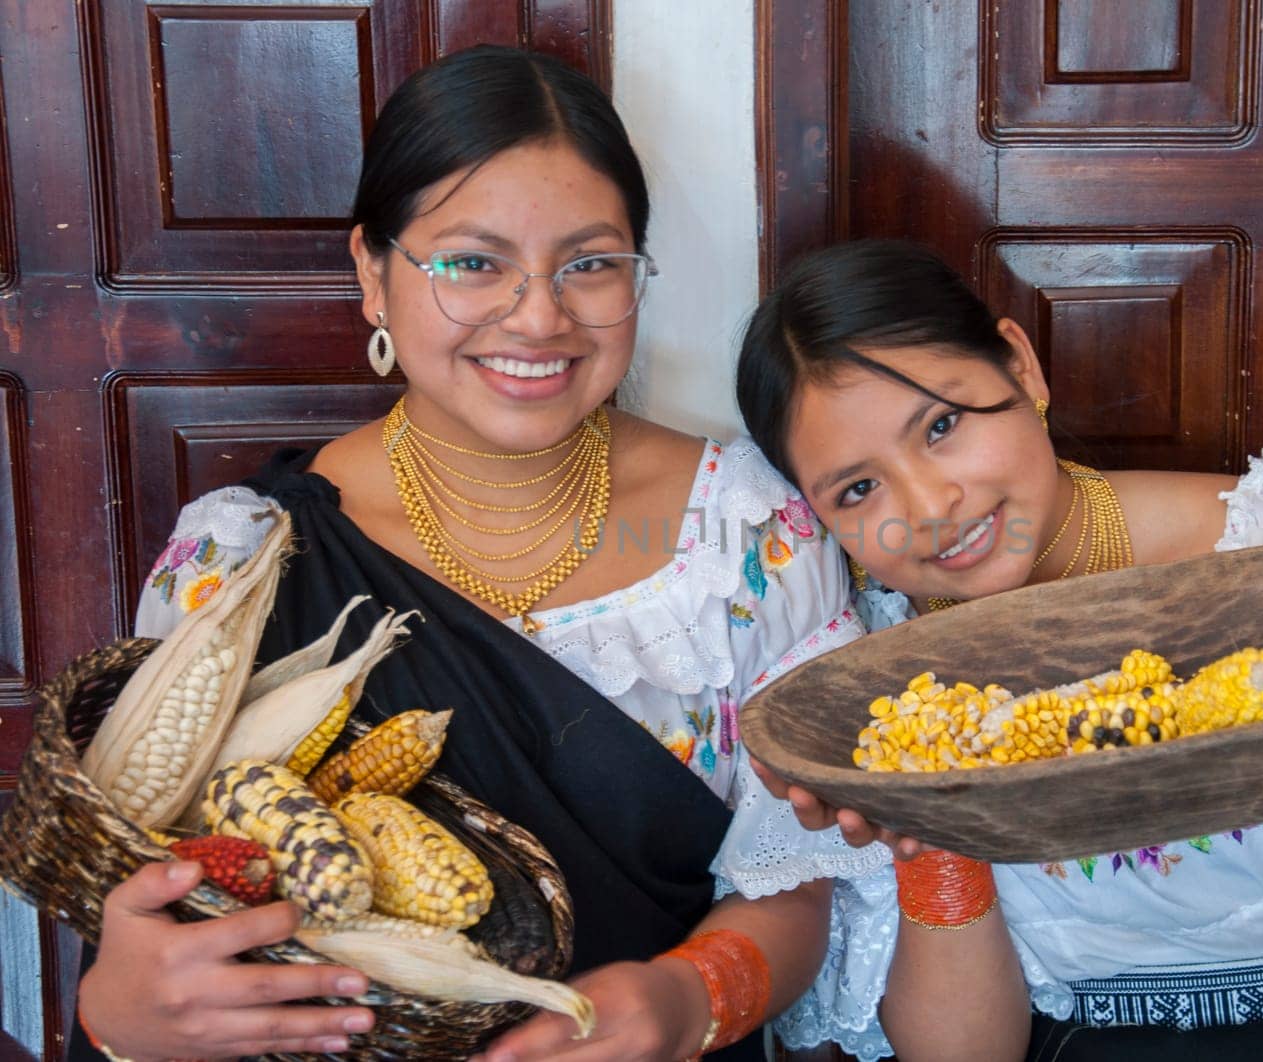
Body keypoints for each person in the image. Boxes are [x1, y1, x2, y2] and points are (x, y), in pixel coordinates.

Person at [73, 45, 868, 1062]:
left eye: (589, 263)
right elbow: (153, 911)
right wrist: (120, 1011)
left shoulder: (750, 535)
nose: (539, 316)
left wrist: (686, 998)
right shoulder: (238, 562)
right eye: (471, 261)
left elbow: (802, 882)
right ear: (372, 271)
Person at [733, 239, 1263, 1061]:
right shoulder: (870, 694)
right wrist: (929, 836)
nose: (927, 506)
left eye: (943, 425)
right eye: (858, 487)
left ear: (1021, 366)